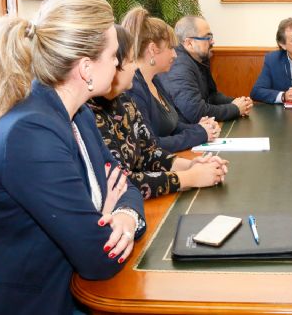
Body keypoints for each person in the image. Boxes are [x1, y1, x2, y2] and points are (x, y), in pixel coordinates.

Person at [0, 0, 145, 314]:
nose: (118, 62)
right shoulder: (30, 133)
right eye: (112, 55)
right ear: (86, 68)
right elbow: (99, 259)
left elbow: (126, 186)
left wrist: (124, 215)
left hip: (65, 291)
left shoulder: (80, 115)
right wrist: (102, 214)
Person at [88, 25, 228, 200]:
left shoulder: (124, 100)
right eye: (130, 61)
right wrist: (189, 177)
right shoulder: (89, 113)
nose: (135, 67)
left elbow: (149, 152)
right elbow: (120, 182)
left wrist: (191, 165)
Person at [122, 8, 221, 153]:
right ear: (153, 49)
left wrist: (200, 128)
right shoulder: (134, 89)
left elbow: (172, 126)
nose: (175, 54)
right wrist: (199, 134)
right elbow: (150, 145)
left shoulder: (155, 80)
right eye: (170, 48)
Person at [158, 16, 253, 123]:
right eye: (207, 38)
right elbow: (196, 112)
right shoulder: (179, 67)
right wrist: (235, 109)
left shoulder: (200, 58)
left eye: (211, 37)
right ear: (189, 43)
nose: (213, 41)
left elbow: (211, 96)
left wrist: (236, 102)